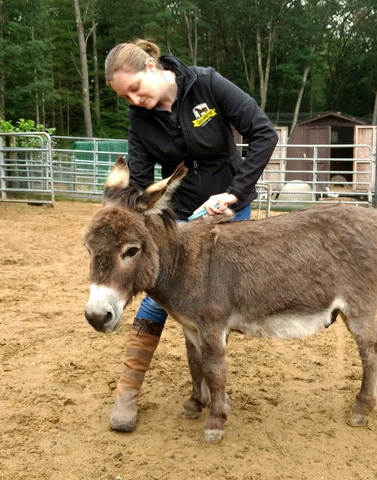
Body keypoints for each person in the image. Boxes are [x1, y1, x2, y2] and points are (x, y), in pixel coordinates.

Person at [104, 39, 278, 432]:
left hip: (229, 208)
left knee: (216, 301)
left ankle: (208, 389)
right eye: (125, 97)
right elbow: (141, 183)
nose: (134, 100)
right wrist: (125, 212)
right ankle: (127, 390)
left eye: (135, 88)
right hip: (178, 216)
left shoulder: (208, 84)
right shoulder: (140, 119)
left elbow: (264, 133)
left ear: (151, 66)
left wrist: (235, 191)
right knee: (158, 298)